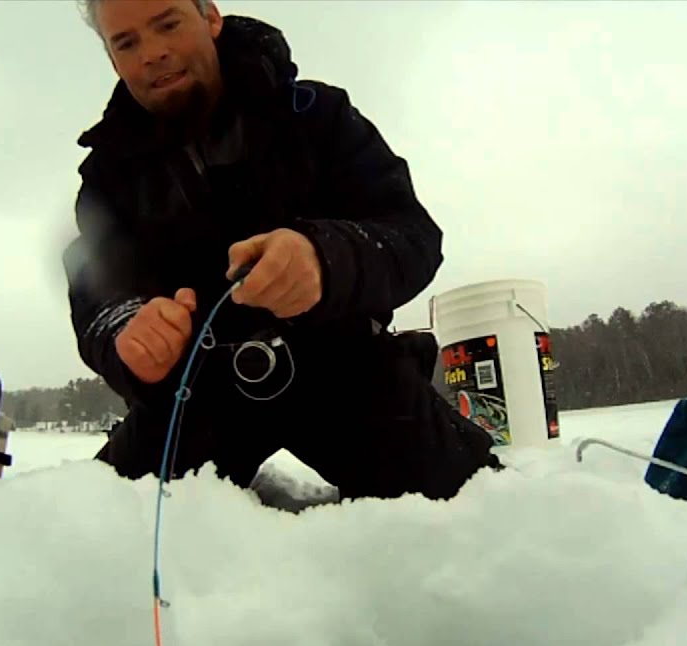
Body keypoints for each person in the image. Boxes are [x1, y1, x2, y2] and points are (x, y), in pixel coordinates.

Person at [63, 0, 502, 504]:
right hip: (195, 395)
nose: (153, 53)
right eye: (127, 42)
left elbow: (413, 235)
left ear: (209, 18)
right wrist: (126, 333)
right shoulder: (106, 178)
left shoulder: (318, 115)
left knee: (479, 518)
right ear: (113, 59)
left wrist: (325, 259)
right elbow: (97, 290)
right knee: (102, 528)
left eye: (167, 24)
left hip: (349, 375)